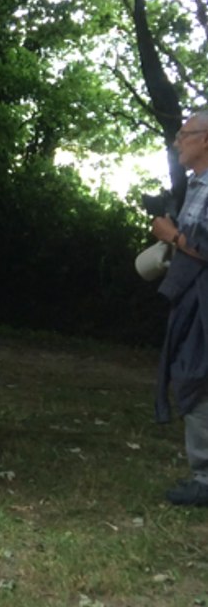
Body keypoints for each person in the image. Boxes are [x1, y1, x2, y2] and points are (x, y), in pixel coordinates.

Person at [152, 110, 208, 508]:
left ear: (206, 140)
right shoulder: (196, 185)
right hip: (192, 297)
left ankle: (204, 479)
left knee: (195, 378)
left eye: (184, 135)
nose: (177, 142)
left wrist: (172, 236)